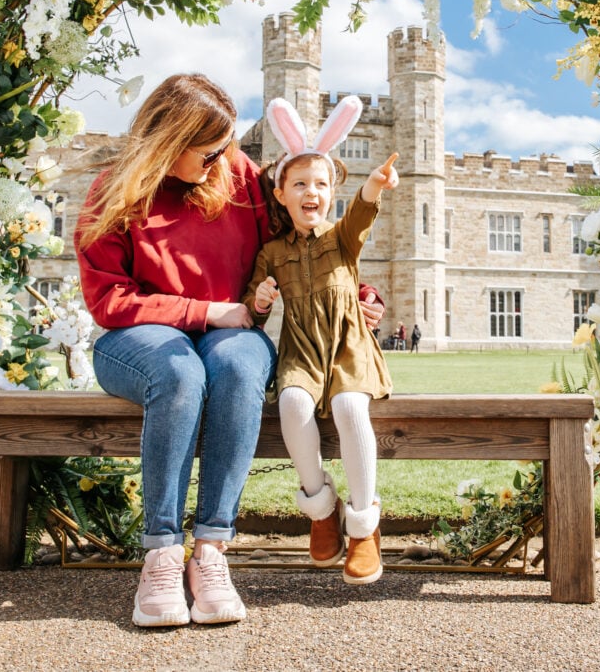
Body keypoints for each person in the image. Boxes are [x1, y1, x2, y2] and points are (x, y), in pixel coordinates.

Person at [75, 74, 384, 627]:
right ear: (169, 140)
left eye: (228, 144)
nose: (225, 157)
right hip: (139, 337)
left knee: (240, 367)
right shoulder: (113, 191)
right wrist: (204, 311)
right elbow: (109, 299)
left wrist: (357, 295)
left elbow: (301, 241)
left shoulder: (235, 174)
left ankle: (212, 550)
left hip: (230, 334)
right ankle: (163, 554)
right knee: (179, 375)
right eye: (210, 148)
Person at [244, 95, 398, 585]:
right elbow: (252, 304)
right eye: (301, 184)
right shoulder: (271, 251)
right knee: (291, 405)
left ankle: (362, 527)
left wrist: (374, 183)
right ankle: (319, 510)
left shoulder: (341, 239)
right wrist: (263, 297)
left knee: (352, 410)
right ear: (282, 193)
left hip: (349, 346)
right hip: (302, 349)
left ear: (332, 192)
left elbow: (362, 214)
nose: (312, 192)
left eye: (322, 184)